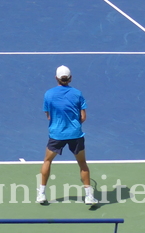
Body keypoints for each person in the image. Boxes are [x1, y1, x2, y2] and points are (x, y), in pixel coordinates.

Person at [37, 65, 97, 206]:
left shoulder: (49, 94)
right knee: (82, 164)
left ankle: (41, 194)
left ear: (56, 78)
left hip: (56, 134)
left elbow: (48, 116)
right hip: (75, 134)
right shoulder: (77, 93)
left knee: (47, 161)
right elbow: (83, 117)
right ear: (70, 78)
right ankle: (88, 196)